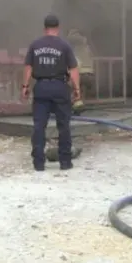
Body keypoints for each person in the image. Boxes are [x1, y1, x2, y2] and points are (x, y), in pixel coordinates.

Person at [22, 14, 80, 171]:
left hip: (41, 88)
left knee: (39, 126)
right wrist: (77, 90)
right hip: (60, 88)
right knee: (64, 126)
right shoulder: (64, 45)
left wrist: (25, 86)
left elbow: (28, 67)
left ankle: (39, 163)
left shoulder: (35, 45)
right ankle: (65, 162)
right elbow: (73, 69)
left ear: (44, 28)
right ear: (58, 28)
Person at [66, 28, 94, 115]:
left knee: (69, 86)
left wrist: (71, 33)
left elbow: (71, 38)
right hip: (89, 75)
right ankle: (78, 107)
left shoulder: (79, 46)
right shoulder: (86, 47)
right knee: (81, 91)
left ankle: (72, 106)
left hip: (81, 73)